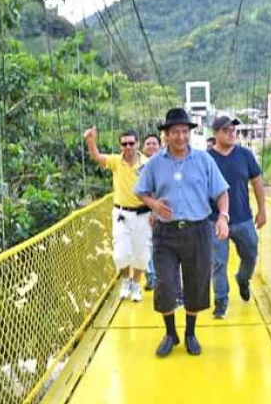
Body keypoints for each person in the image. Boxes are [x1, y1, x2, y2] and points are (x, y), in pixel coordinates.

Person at [135, 108, 229, 357]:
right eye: (175, 132)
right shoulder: (155, 163)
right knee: (164, 283)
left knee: (196, 283)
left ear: (190, 133)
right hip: (165, 233)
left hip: (198, 230)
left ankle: (190, 332)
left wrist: (223, 217)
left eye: (184, 131)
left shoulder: (204, 160)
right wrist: (154, 205)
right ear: (166, 135)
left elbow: (221, 192)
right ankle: (170, 333)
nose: (180, 137)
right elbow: (140, 190)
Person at [207, 115, 267, 319]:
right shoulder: (207, 159)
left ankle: (242, 279)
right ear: (215, 134)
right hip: (215, 220)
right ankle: (221, 301)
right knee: (218, 263)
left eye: (234, 130)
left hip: (243, 218)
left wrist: (262, 209)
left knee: (251, 254)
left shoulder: (245, 155)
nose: (232, 133)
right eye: (226, 130)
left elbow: (257, 182)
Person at [84, 126, 150, 302]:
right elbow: (97, 157)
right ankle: (126, 281)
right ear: (120, 145)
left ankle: (136, 284)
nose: (128, 147)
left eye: (131, 143)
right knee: (120, 254)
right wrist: (91, 141)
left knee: (141, 253)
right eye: (124, 144)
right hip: (121, 213)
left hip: (143, 214)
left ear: (137, 143)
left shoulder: (147, 163)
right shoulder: (115, 161)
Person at [141, 133, 161, 291]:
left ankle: (160, 275)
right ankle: (152, 276)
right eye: (148, 144)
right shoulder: (138, 163)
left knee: (161, 245)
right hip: (143, 211)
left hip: (163, 211)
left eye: (154, 143)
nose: (151, 146)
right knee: (146, 245)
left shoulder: (166, 162)